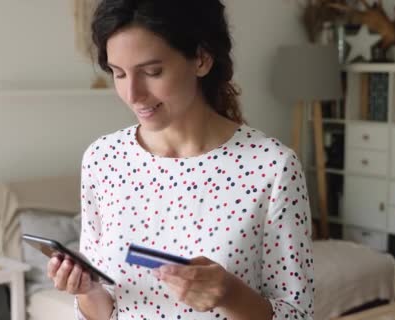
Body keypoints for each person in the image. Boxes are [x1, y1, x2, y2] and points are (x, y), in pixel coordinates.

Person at [47, 0, 314, 319]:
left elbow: (298, 313)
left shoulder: (271, 166)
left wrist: (230, 293)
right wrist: (87, 291)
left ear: (201, 59)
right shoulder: (102, 159)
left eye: (152, 72)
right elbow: (106, 311)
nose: (133, 94)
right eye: (118, 74)